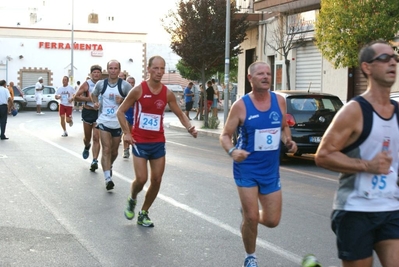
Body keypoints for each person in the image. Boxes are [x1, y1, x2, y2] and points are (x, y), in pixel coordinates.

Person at [314, 40, 399, 267]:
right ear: (366, 68)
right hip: (355, 210)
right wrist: (366, 166)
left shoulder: (398, 112)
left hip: (391, 208)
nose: (392, 62)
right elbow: (323, 155)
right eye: (384, 58)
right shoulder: (354, 111)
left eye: (395, 57)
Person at [219, 61, 297, 267]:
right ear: (250, 78)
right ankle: (250, 257)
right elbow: (225, 135)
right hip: (247, 168)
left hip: (270, 171)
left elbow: (282, 127)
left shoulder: (279, 101)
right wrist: (232, 151)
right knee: (252, 217)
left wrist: (288, 141)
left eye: (268, 73)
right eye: (260, 74)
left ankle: (247, 215)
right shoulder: (241, 106)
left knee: (272, 220)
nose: (266, 77)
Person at [117, 55, 198, 227]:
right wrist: (127, 133)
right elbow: (120, 111)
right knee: (141, 179)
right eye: (156, 68)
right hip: (139, 141)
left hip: (158, 142)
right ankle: (132, 198)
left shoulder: (167, 93)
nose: (159, 72)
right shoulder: (138, 90)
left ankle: (144, 212)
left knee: (157, 180)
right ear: (148, 69)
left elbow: (180, 113)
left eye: (162, 68)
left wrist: (190, 127)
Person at [91, 60, 132, 190]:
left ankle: (109, 166)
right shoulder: (101, 84)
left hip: (118, 122)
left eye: (115, 68)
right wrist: (96, 103)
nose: (113, 71)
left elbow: (133, 101)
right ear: (107, 70)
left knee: (114, 152)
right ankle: (108, 178)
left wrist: (123, 100)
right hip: (103, 120)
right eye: (110, 68)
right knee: (106, 148)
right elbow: (93, 95)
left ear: (119, 70)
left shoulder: (125, 86)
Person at [74, 64, 103, 171]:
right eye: (94, 72)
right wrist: (89, 99)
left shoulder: (103, 84)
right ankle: (87, 146)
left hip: (98, 114)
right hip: (87, 112)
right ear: (91, 74)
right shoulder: (87, 84)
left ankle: (95, 160)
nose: (96, 74)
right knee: (87, 138)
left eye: (98, 72)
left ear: (100, 74)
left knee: (96, 137)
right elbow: (76, 97)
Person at [123, 76, 135, 158]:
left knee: (133, 132)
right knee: (126, 131)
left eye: (132, 82)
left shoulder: (137, 91)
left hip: (134, 112)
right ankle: (126, 150)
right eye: (129, 82)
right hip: (126, 112)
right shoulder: (123, 91)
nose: (130, 84)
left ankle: (135, 148)